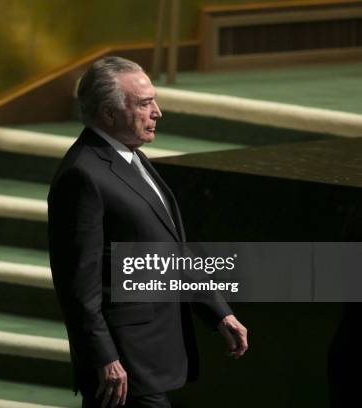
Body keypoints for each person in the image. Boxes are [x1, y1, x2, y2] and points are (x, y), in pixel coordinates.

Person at [47, 56, 248, 408]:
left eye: (154, 100)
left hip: (151, 355)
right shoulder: (83, 175)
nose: (157, 112)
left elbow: (171, 248)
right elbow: (78, 285)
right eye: (144, 103)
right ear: (108, 113)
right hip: (124, 366)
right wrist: (103, 359)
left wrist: (217, 311)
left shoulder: (130, 157)